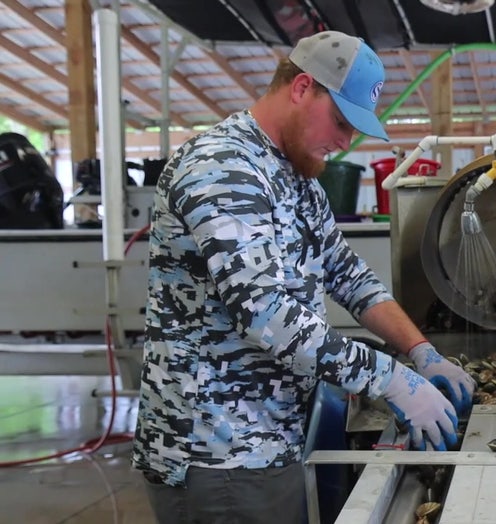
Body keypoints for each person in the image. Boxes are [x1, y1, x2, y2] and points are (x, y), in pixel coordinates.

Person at [133, 31, 475, 523]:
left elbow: (346, 273)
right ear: (301, 88)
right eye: (340, 122)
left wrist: (421, 352)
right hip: (219, 449)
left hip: (273, 436)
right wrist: (391, 379)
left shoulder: (297, 174)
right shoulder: (223, 167)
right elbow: (264, 312)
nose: (344, 143)